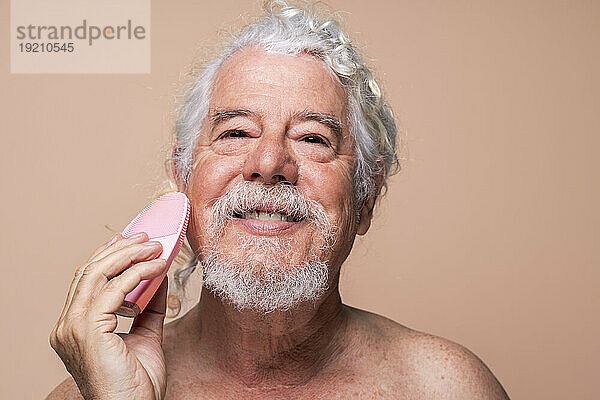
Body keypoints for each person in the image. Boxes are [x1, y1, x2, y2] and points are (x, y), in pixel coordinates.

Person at [47, 2, 510, 399]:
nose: (269, 162)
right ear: (184, 179)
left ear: (366, 196)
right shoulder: (90, 395)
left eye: (313, 138)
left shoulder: (446, 388)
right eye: (236, 132)